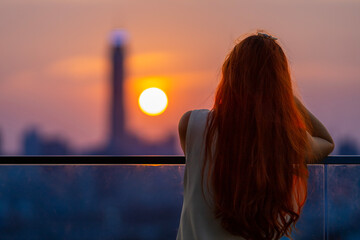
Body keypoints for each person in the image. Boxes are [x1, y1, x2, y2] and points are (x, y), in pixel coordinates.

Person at [177, 32, 334, 240]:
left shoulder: (191, 125)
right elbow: (326, 141)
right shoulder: (284, 139)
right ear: (279, 84)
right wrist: (285, 98)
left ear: (230, 75)